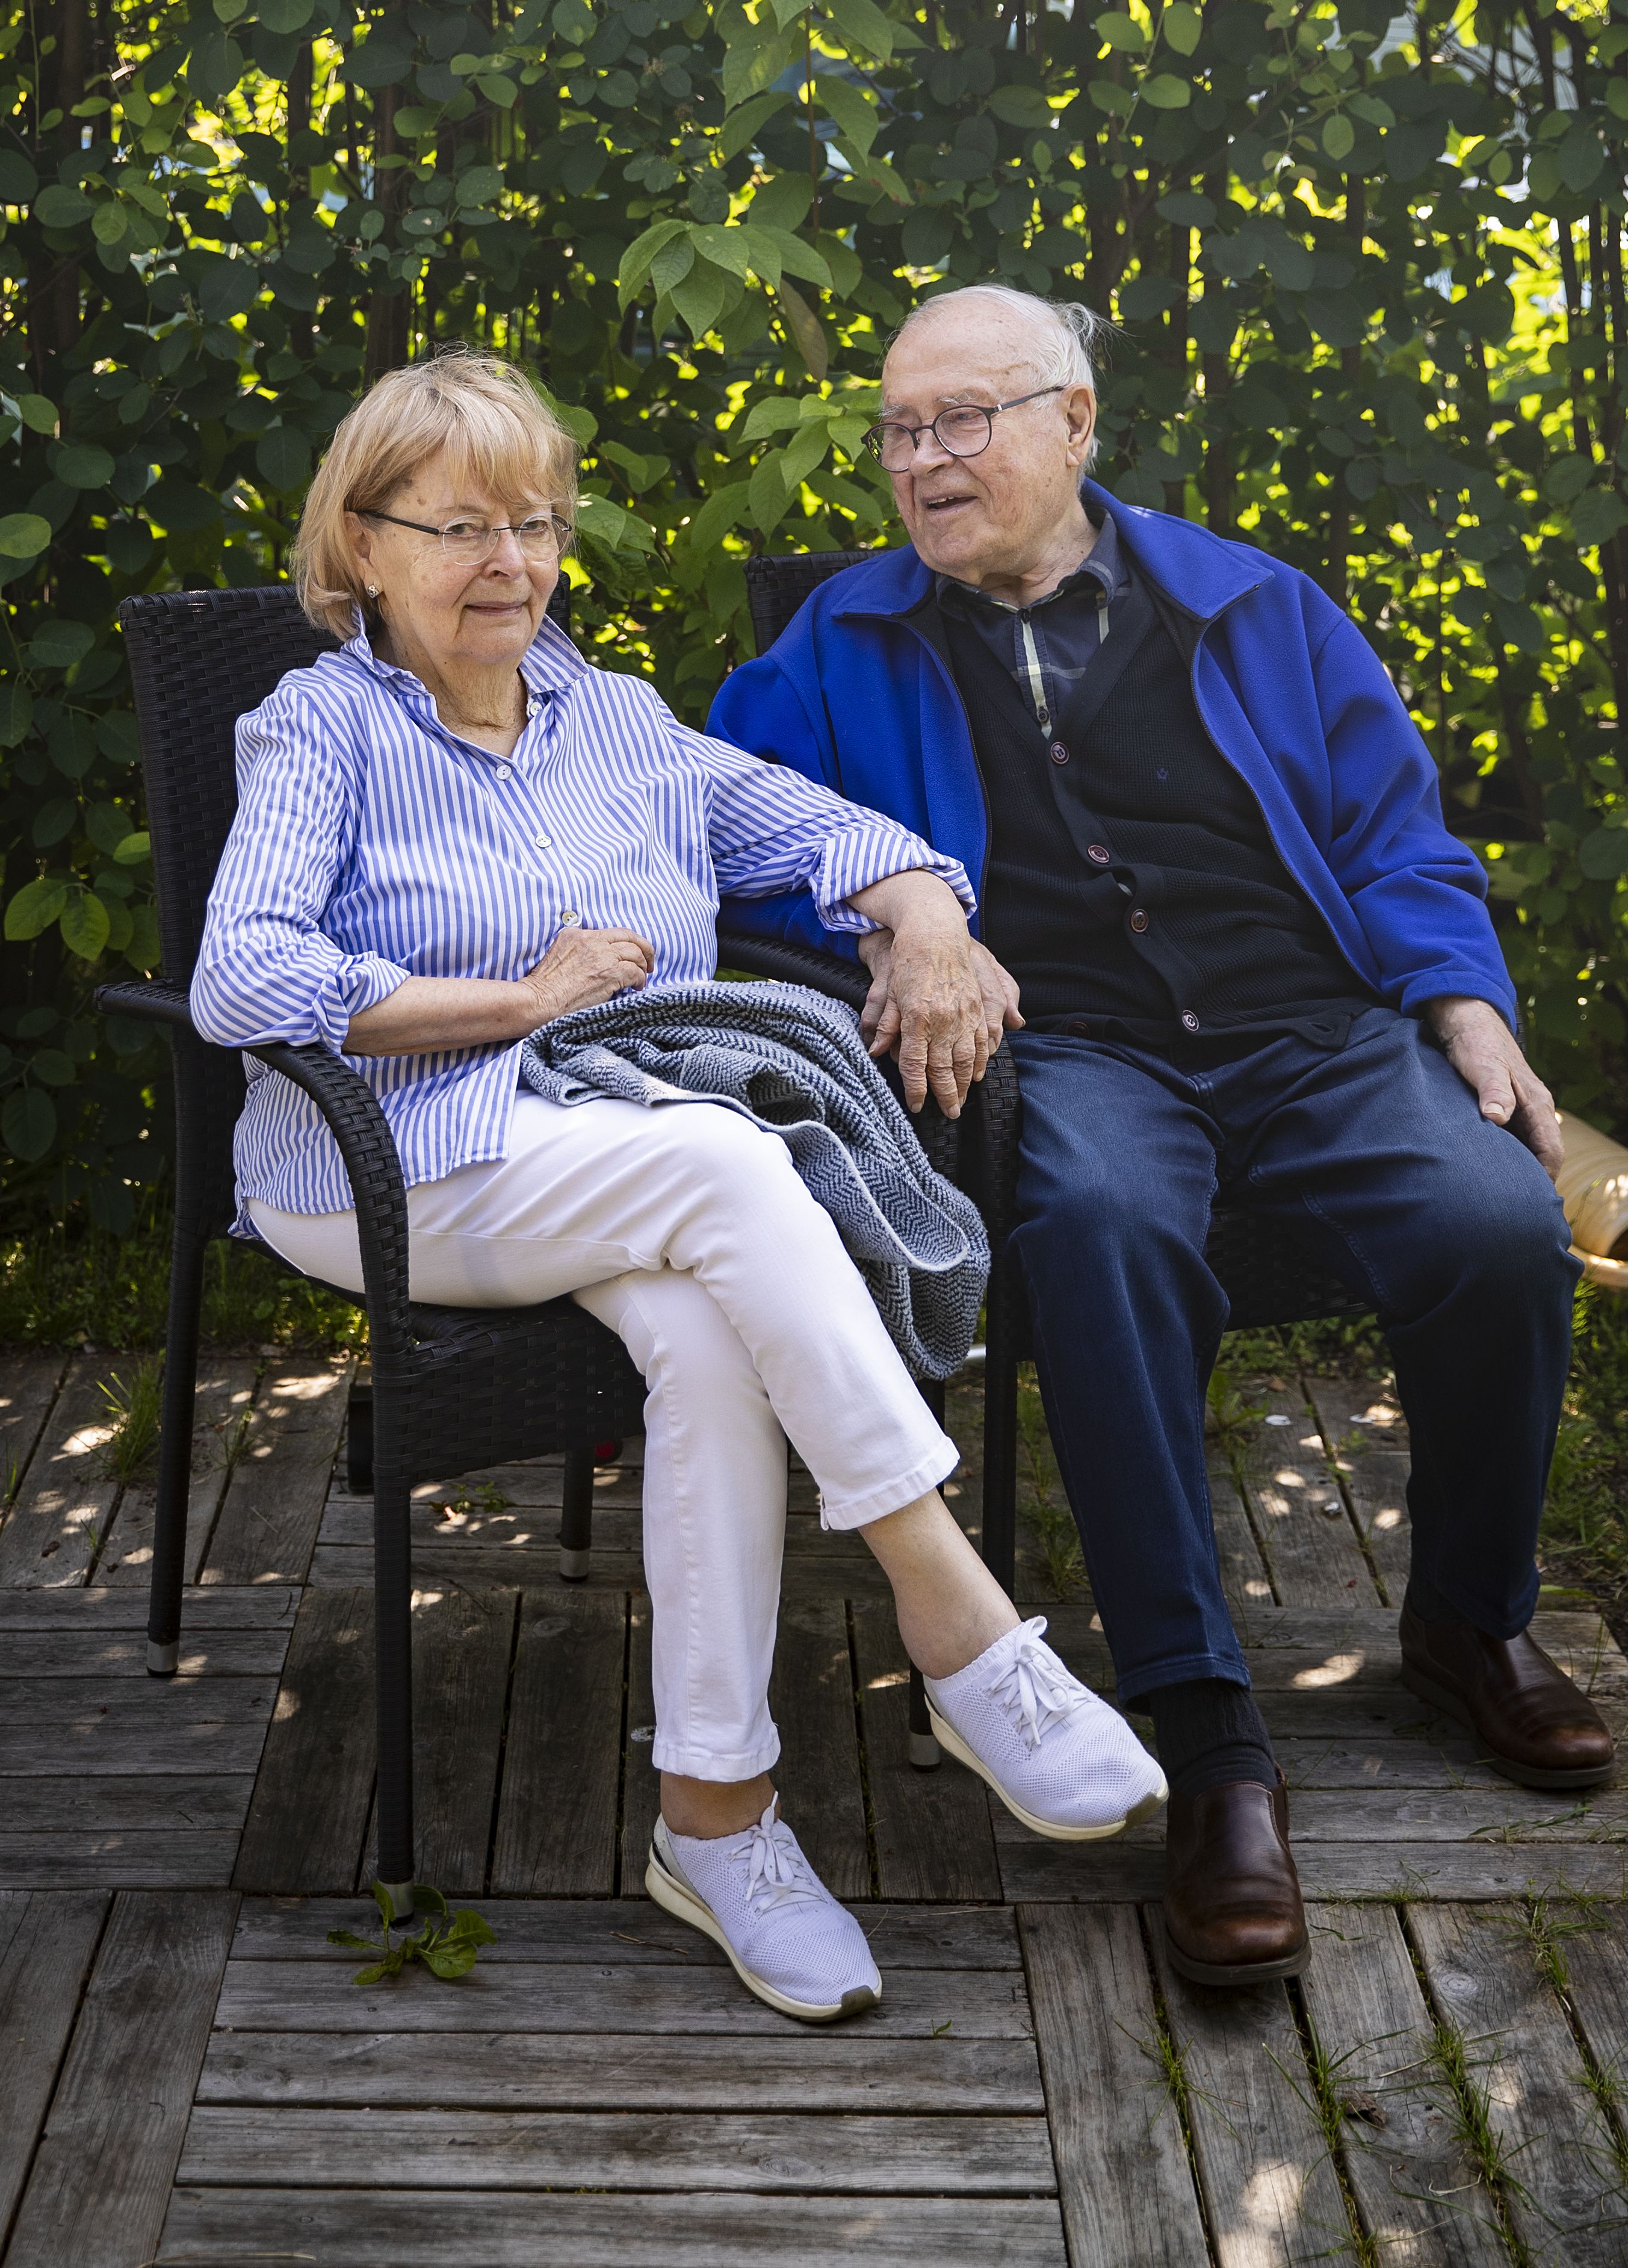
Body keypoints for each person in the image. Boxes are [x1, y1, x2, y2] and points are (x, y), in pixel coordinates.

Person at [188, 349, 1163, 2024]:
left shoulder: (619, 723)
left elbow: (833, 835)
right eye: (461, 528)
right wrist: (516, 1001)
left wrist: (926, 915)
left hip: (601, 1149)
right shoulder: (319, 730)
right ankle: (964, 1631)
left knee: (714, 1338)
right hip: (383, 1164)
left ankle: (716, 1822)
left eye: (538, 523)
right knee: (729, 1162)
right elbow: (242, 979)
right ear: (361, 545)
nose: (511, 562)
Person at [707, 284, 1609, 1991]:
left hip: (1315, 1029)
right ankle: (1207, 1745)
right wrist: (902, 925)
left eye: (966, 418)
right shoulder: (839, 643)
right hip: (1081, 1052)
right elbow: (729, 841)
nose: (927, 457)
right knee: (1104, 1238)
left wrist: (1463, 997)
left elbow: (1398, 831)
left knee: (1495, 1225)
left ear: (1074, 425)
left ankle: (1470, 1623)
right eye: (903, 428)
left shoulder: (1253, 605)